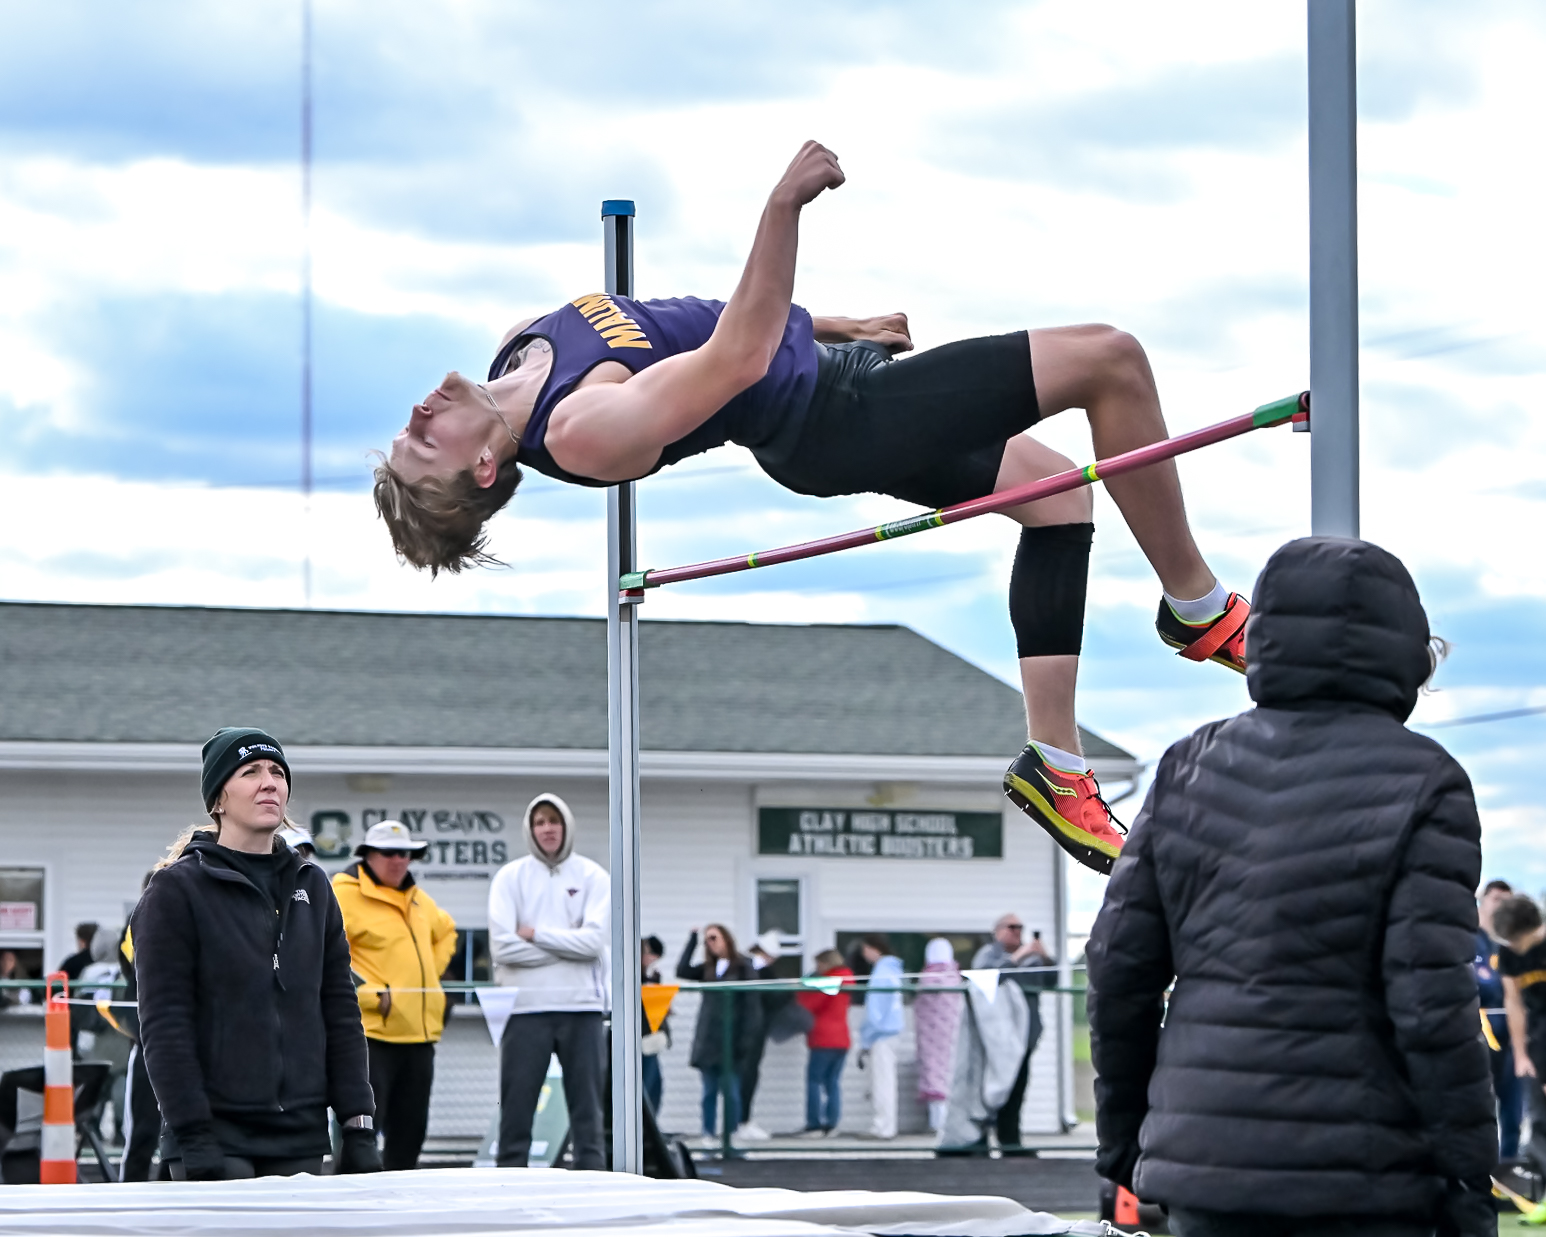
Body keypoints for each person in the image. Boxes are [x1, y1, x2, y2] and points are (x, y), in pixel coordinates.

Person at [373, 140, 1249, 879]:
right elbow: (737, 357)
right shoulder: (582, 430)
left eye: (410, 430)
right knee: (1112, 360)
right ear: (486, 469)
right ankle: (1198, 608)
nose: (416, 415)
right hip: (837, 424)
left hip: (840, 376)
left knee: (1059, 500)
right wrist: (783, 204)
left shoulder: (520, 346)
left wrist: (836, 326)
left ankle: (1055, 761)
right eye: (426, 445)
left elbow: (688, 319)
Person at [1087, 537, 1496, 1237]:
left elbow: (1119, 968)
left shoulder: (1189, 764)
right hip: (1366, 1172)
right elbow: (1429, 997)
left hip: (1205, 1166)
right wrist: (1468, 1168)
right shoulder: (1426, 779)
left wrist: (1125, 1140)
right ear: (1405, 651)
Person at [130, 727, 380, 1181]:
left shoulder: (313, 885)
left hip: (299, 1133)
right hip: (215, 1132)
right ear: (218, 800)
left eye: (277, 772)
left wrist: (357, 1125)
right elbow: (165, 1024)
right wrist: (191, 1130)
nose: (270, 782)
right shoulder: (176, 891)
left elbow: (340, 1012)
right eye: (250, 771)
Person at [487, 793, 609, 1169]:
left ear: (567, 826)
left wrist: (535, 934)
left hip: (582, 1008)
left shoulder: (593, 876)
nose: (547, 829)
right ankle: (508, 1188)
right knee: (516, 1111)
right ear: (530, 828)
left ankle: (594, 1184)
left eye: (554, 821)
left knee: (588, 1114)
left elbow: (594, 944)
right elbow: (502, 948)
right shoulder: (510, 877)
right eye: (539, 821)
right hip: (525, 1009)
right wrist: (567, 944)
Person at [333, 820, 458, 1172]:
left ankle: (400, 1217)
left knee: (410, 1135)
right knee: (360, 1139)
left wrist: (429, 973)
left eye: (405, 853)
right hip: (370, 1038)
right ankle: (349, 1215)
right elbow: (324, 957)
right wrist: (369, 995)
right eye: (388, 852)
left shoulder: (419, 901)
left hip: (419, 1038)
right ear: (368, 856)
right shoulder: (344, 894)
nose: (398, 860)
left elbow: (447, 931)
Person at [972, 914, 1055, 1152]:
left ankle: (1010, 1140)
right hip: (996, 1036)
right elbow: (987, 979)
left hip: (1025, 1035)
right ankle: (979, 1137)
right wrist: (1017, 957)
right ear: (997, 930)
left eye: (1020, 927)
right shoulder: (989, 954)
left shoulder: (1032, 958)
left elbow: (1052, 978)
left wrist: (1044, 956)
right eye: (1011, 927)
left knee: (1018, 1087)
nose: (1017, 932)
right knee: (992, 1087)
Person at [676, 925, 761, 1148]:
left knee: (731, 1091)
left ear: (726, 939)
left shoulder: (743, 967)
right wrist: (693, 940)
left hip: (731, 1039)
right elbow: (682, 970)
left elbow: (752, 1005)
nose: (710, 943)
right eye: (707, 940)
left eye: (714, 938)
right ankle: (708, 1133)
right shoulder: (708, 968)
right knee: (708, 1092)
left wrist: (746, 1039)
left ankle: (731, 1133)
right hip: (709, 1039)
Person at [1496, 893, 1546, 1177]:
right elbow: (1513, 1002)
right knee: (1539, 1119)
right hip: (1538, 1038)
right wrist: (1521, 1055)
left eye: (1515, 940)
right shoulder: (1509, 953)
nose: (1512, 948)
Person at [1476, 879, 1521, 1160]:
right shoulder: (1468, 941)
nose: (1502, 906)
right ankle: (1482, 1170)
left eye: (1507, 901)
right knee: (1482, 1108)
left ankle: (1510, 1171)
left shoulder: (1512, 946)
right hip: (1481, 1038)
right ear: (1483, 901)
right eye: (1496, 899)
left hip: (1515, 1040)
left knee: (1514, 1109)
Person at [795, 948, 853, 1137]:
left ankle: (814, 1125)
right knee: (833, 1082)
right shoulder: (846, 979)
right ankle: (832, 1124)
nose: (817, 968)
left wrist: (802, 989)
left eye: (819, 963)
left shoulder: (827, 982)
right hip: (842, 1039)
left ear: (827, 963)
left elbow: (811, 1004)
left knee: (814, 1080)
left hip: (823, 1039)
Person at [736, 929, 786, 1143]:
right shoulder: (756, 971)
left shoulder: (744, 967)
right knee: (745, 1077)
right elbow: (774, 999)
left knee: (746, 1077)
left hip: (750, 1031)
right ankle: (741, 1122)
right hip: (749, 1033)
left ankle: (742, 1121)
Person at [857, 934, 904, 1140]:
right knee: (886, 1080)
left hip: (881, 1034)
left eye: (865, 949)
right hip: (891, 1031)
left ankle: (883, 1126)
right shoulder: (893, 970)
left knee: (882, 1082)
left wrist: (866, 1036)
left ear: (874, 948)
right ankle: (885, 1124)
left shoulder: (881, 973)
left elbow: (875, 1009)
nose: (863, 954)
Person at [915, 938, 963, 1133]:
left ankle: (938, 1123)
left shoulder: (927, 978)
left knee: (933, 1073)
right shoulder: (955, 978)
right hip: (953, 1035)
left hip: (931, 1036)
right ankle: (949, 1121)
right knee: (949, 1074)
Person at [640, 935, 669, 1116]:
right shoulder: (634, 974)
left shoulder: (654, 975)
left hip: (652, 1035)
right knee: (646, 1083)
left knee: (655, 1084)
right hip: (640, 1035)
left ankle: (651, 1124)